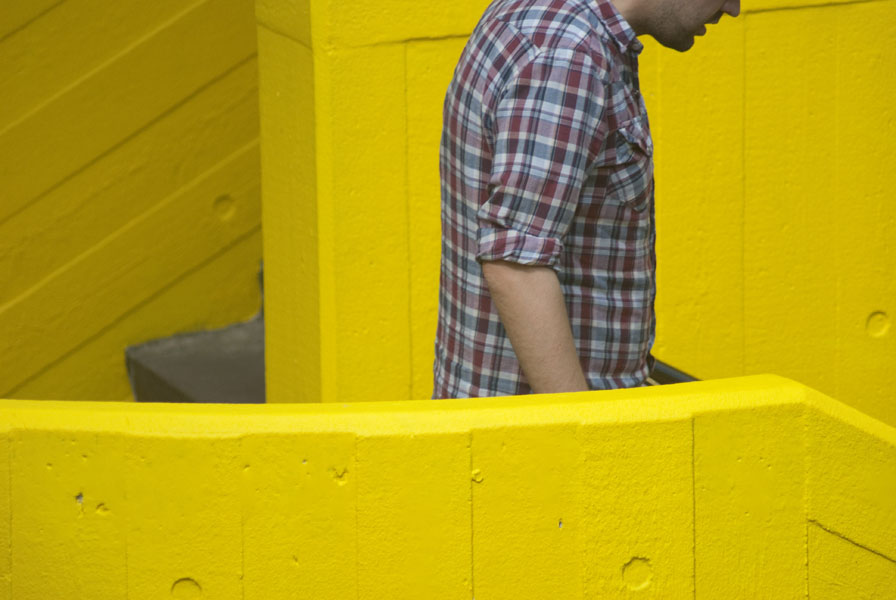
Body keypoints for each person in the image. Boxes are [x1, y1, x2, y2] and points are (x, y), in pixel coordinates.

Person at [434, 0, 741, 398]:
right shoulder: (568, 54)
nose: (732, 8)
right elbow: (516, 265)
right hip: (539, 443)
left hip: (513, 426)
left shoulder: (541, 16)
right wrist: (586, 441)